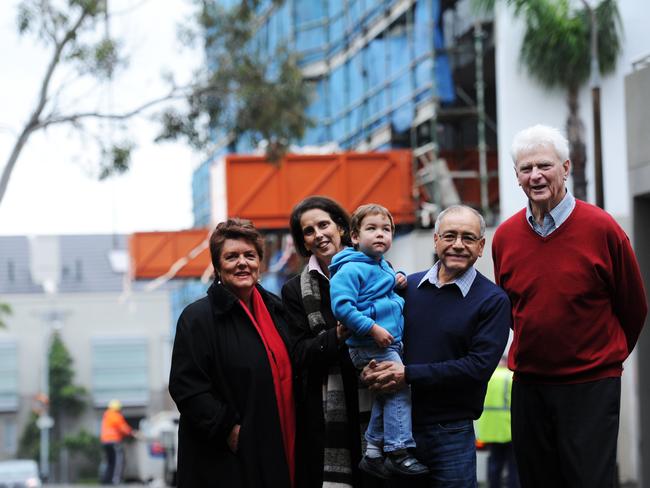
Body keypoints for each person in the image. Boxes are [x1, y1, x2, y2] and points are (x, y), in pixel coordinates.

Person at [492, 124, 648, 488]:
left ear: (566, 168)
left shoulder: (602, 228)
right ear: (516, 177)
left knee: (588, 481)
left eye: (544, 166)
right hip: (530, 384)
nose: (536, 176)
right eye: (526, 169)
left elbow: (634, 306)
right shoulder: (505, 237)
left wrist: (605, 358)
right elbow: (514, 307)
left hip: (591, 384)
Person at [363, 205, 511, 487]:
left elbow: (477, 367)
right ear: (436, 240)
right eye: (450, 236)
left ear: (481, 247)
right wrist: (370, 368)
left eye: (468, 238)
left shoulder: (492, 301)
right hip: (396, 431)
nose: (458, 244)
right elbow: (380, 340)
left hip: (451, 433)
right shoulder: (406, 288)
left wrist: (407, 374)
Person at [169, 218, 296, 488]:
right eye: (232, 256)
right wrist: (229, 430)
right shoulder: (198, 318)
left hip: (279, 445)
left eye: (250, 255)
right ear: (217, 267)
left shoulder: (278, 310)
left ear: (259, 263)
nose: (242, 262)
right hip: (226, 457)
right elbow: (186, 386)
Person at [281, 196, 376, 488]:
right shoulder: (294, 290)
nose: (318, 234)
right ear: (304, 242)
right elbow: (298, 354)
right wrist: (336, 336)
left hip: (374, 396)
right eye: (309, 231)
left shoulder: (374, 267)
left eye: (324, 225)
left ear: (341, 228)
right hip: (324, 410)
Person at [329, 203, 428, 479]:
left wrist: (396, 279)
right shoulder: (350, 269)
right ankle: (398, 451)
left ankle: (373, 452)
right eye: (371, 229)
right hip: (370, 344)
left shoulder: (380, 265)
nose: (380, 234)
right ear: (355, 236)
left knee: (387, 395)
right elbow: (343, 308)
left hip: (386, 343)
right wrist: (372, 329)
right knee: (399, 390)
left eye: (386, 229)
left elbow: (379, 292)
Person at [476, 356, 519, 488]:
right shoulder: (510, 377)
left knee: (495, 462)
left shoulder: (487, 378)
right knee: (513, 465)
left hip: (490, 429)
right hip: (509, 429)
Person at [100, 399, 134, 485]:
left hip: (105, 442)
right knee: (118, 461)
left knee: (110, 461)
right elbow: (123, 428)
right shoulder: (116, 415)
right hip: (114, 441)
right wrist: (131, 432)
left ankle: (106, 480)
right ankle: (116, 480)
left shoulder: (106, 415)